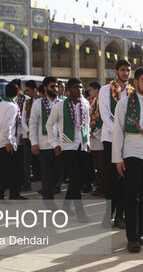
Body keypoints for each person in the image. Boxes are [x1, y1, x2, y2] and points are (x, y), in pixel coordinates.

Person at [112, 67, 143, 253]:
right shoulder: (124, 103)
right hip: (131, 154)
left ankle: (139, 233)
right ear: (136, 83)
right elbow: (117, 132)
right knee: (132, 197)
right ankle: (131, 238)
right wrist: (118, 158)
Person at [46, 78, 91, 222]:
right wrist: (54, 143)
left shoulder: (85, 104)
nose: (79, 90)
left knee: (77, 180)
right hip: (67, 147)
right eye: (76, 87)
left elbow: (87, 124)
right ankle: (80, 211)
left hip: (82, 146)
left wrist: (87, 141)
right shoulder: (60, 106)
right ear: (69, 89)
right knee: (76, 179)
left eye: (81, 87)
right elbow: (49, 125)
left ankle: (66, 205)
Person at [99, 60, 133, 228]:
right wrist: (118, 133)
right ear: (116, 71)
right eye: (122, 70)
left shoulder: (132, 92)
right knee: (112, 179)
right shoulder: (105, 90)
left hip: (128, 142)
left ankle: (120, 215)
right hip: (111, 140)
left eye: (128, 70)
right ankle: (107, 215)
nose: (125, 73)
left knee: (125, 180)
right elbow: (105, 114)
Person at [30, 76, 62, 205]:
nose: (55, 89)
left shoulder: (62, 103)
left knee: (59, 171)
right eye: (52, 86)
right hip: (44, 145)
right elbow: (33, 123)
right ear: (45, 88)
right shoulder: (38, 103)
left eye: (56, 86)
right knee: (46, 174)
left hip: (60, 144)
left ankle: (50, 191)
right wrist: (34, 143)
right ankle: (49, 201)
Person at [0, 82, 26, 200]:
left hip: (0, 142)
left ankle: (13, 194)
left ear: (5, 92)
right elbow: (7, 125)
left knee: (10, 171)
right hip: (6, 143)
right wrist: (8, 141)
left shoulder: (0, 104)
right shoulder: (12, 106)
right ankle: (0, 197)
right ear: (18, 93)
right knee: (6, 172)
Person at [20, 80, 41, 190]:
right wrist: (28, 130)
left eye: (28, 90)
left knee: (42, 159)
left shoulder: (43, 101)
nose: (26, 92)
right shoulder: (27, 102)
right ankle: (27, 181)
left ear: (34, 90)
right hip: (28, 135)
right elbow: (23, 119)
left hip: (40, 135)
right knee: (27, 159)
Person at [87, 81, 105, 197]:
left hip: (101, 136)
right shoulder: (94, 102)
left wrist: (96, 132)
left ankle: (104, 188)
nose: (89, 92)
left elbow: (102, 119)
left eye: (91, 89)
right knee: (97, 165)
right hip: (94, 137)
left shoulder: (102, 102)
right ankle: (100, 187)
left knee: (102, 166)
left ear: (97, 90)